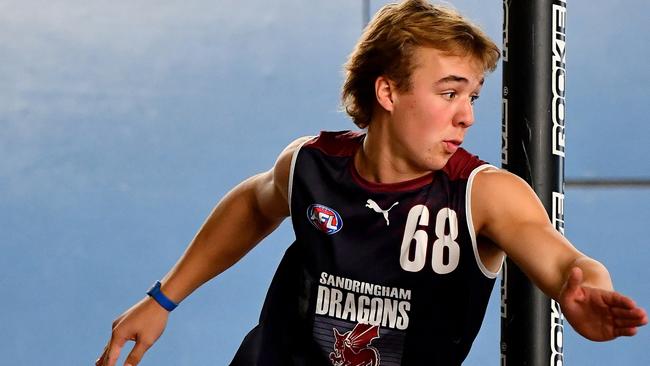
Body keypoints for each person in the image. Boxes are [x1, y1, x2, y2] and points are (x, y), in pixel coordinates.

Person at [96, 1, 647, 365]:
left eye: (473, 96)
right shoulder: (310, 164)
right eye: (449, 93)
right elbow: (253, 205)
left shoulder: (483, 194)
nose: (467, 116)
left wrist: (587, 292)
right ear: (388, 93)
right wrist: (162, 299)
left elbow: (564, 262)